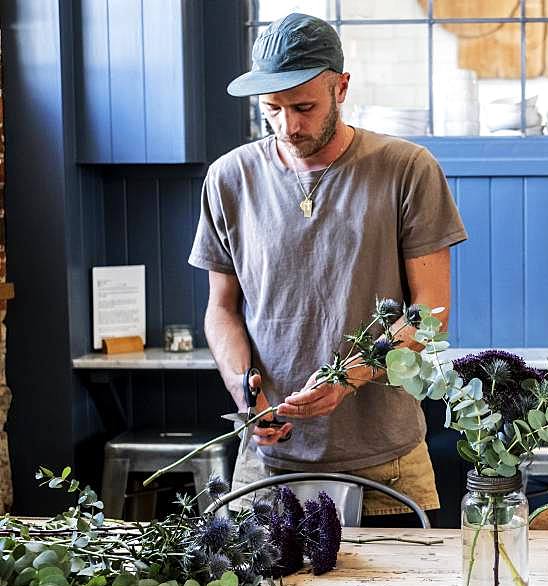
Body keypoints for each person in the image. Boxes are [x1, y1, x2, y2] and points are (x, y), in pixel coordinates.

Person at [188, 13, 466, 524]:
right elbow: (220, 309)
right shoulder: (229, 178)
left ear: (341, 87)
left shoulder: (406, 168)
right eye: (272, 109)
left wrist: (349, 378)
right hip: (268, 465)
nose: (288, 126)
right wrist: (241, 388)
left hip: (388, 465)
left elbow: (432, 314)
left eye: (304, 107)